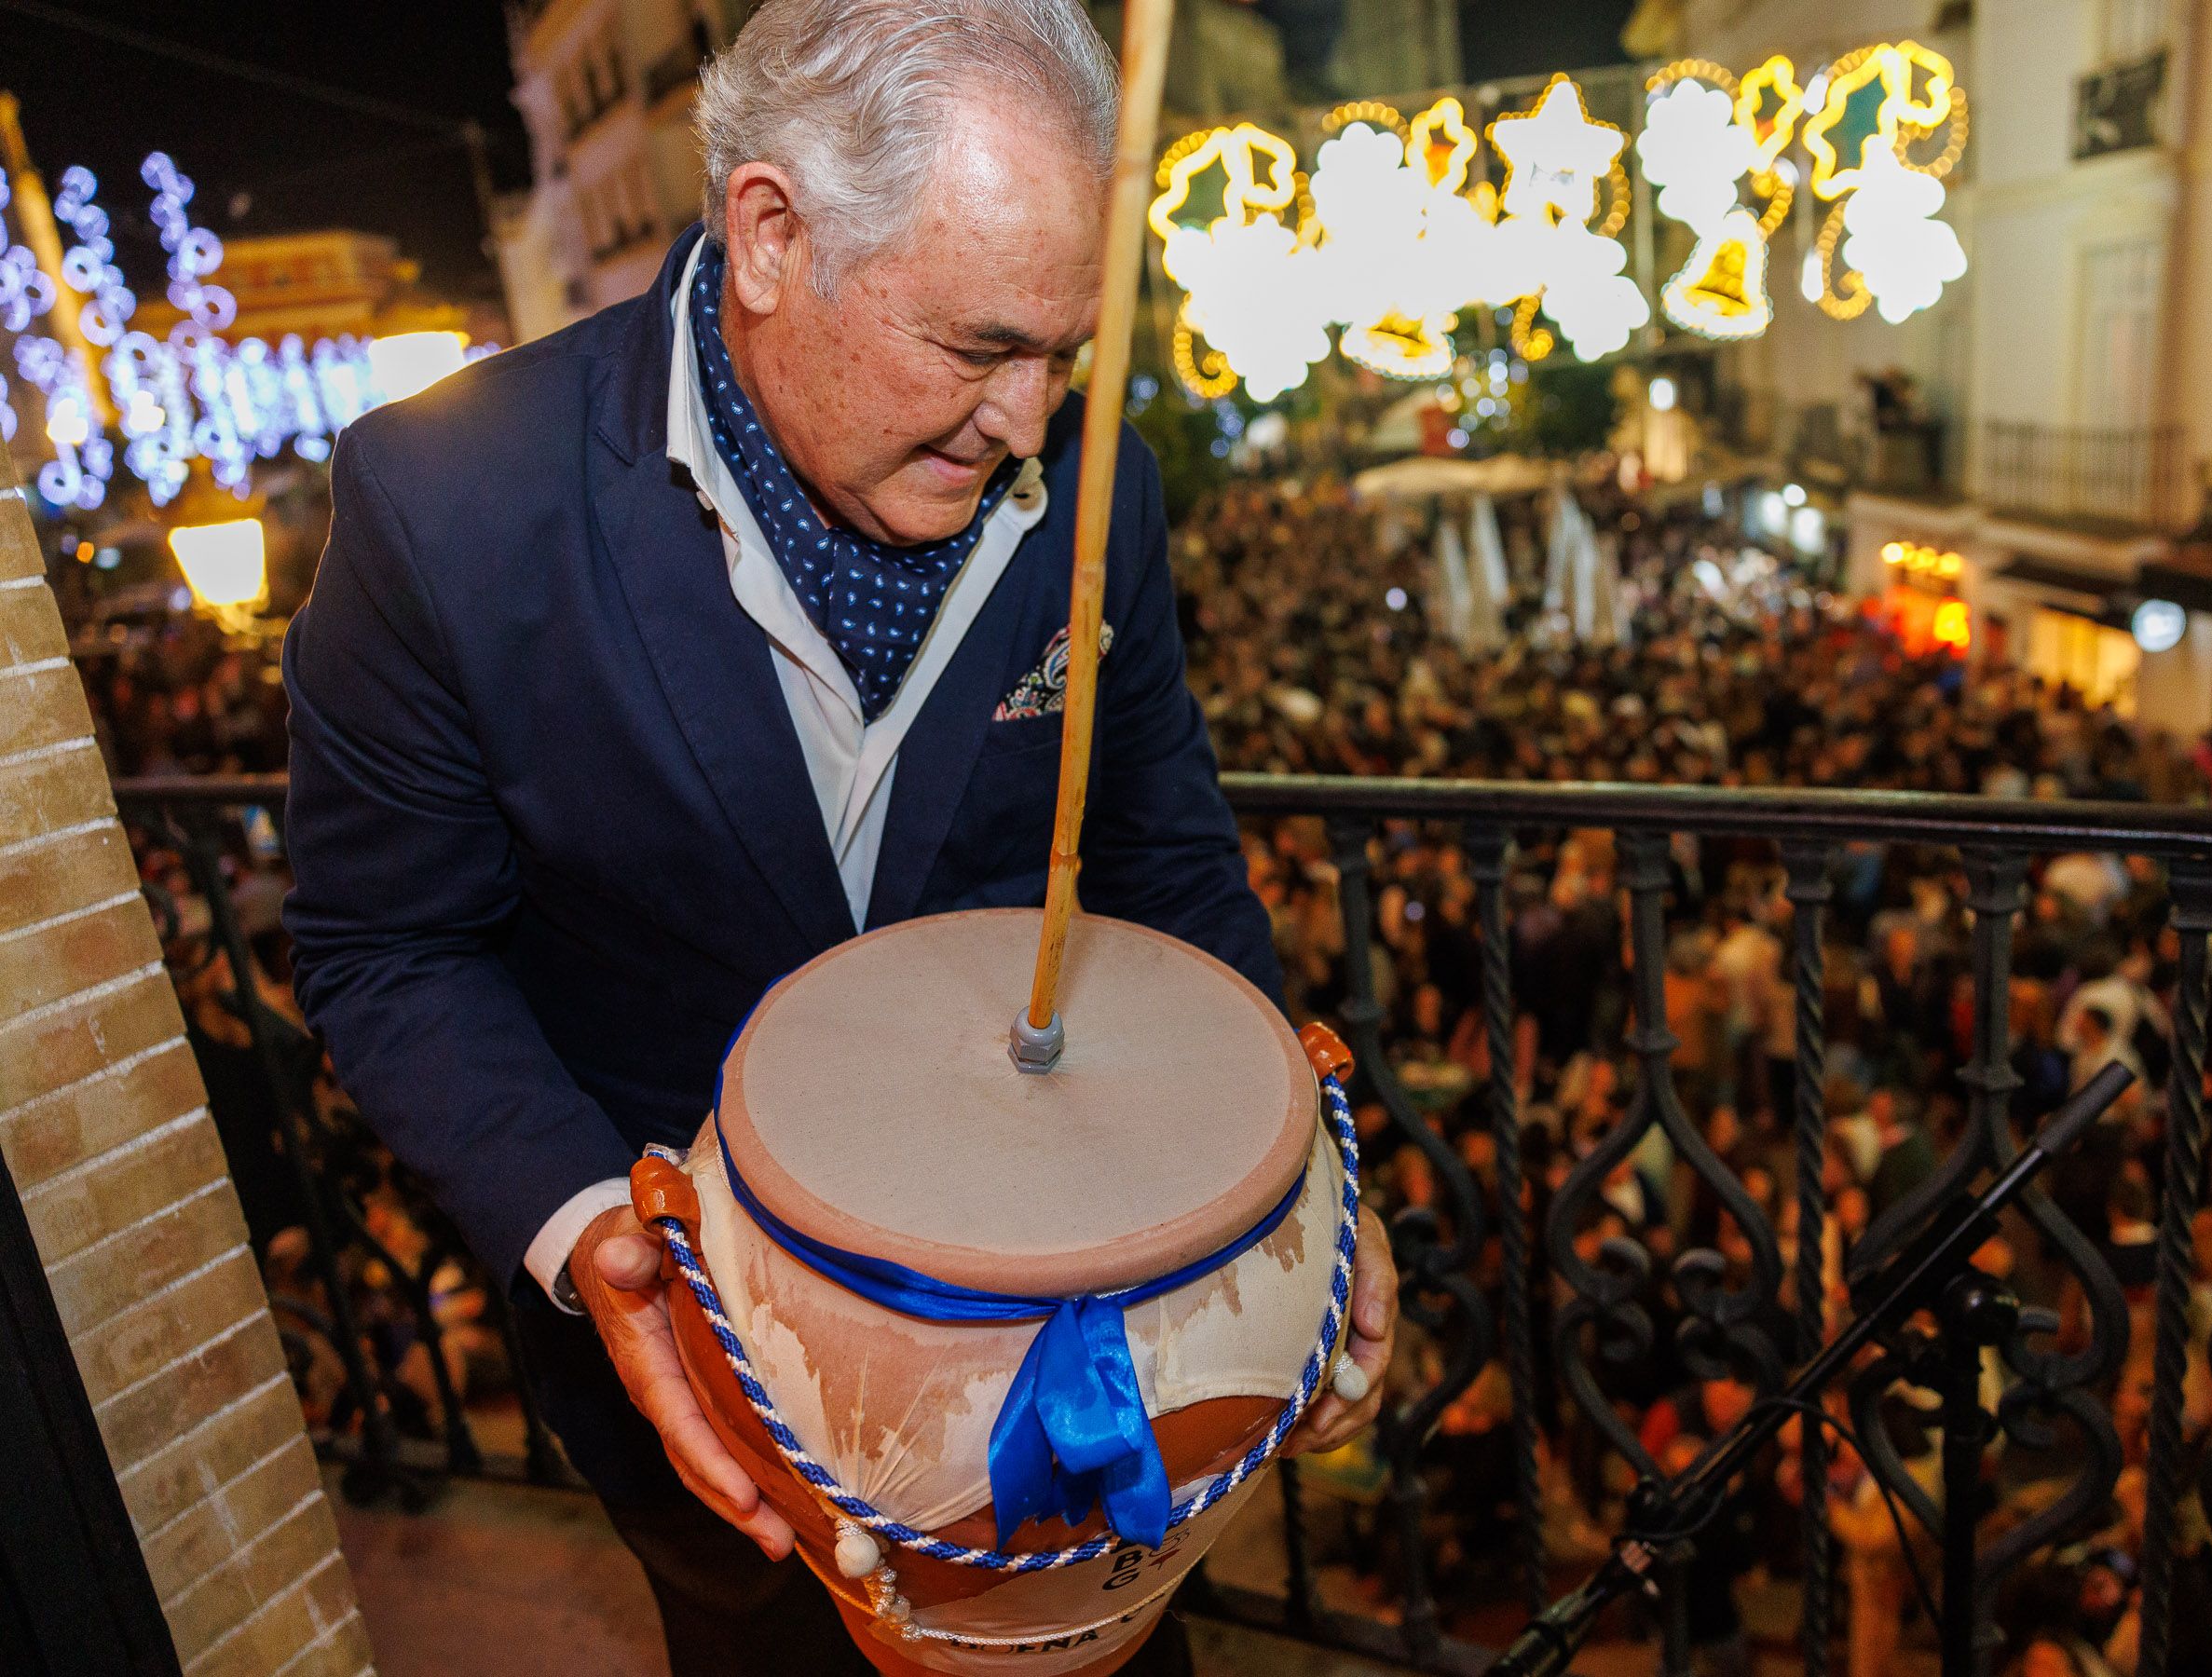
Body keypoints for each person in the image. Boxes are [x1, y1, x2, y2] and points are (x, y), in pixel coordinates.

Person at [278, 5, 1396, 1672]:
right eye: (976, 347)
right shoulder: (451, 508)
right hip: (719, 1412)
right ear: (773, 235)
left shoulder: (1102, 492)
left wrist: (1288, 1156)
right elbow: (386, 945)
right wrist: (589, 1228)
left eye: (1065, 357)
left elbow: (1165, 859)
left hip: (1082, 1380)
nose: (1031, 421)